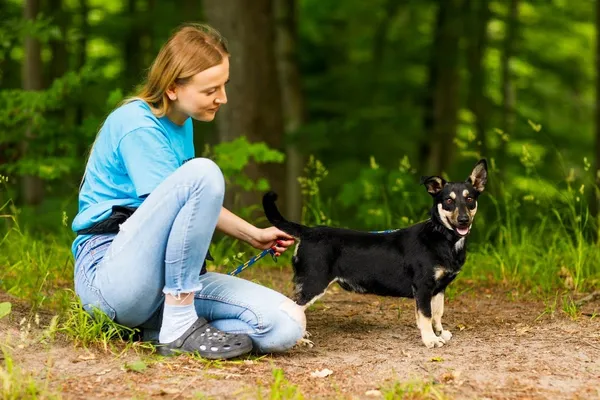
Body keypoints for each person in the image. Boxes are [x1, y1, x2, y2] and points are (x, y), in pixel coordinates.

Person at [71, 23, 306, 359]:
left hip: (163, 281)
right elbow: (193, 187)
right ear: (171, 89)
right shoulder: (135, 123)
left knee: (286, 324)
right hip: (111, 278)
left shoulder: (182, 124)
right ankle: (180, 320)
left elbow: (188, 197)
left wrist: (253, 234)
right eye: (211, 89)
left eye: (224, 85)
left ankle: (156, 331)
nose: (222, 98)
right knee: (203, 171)